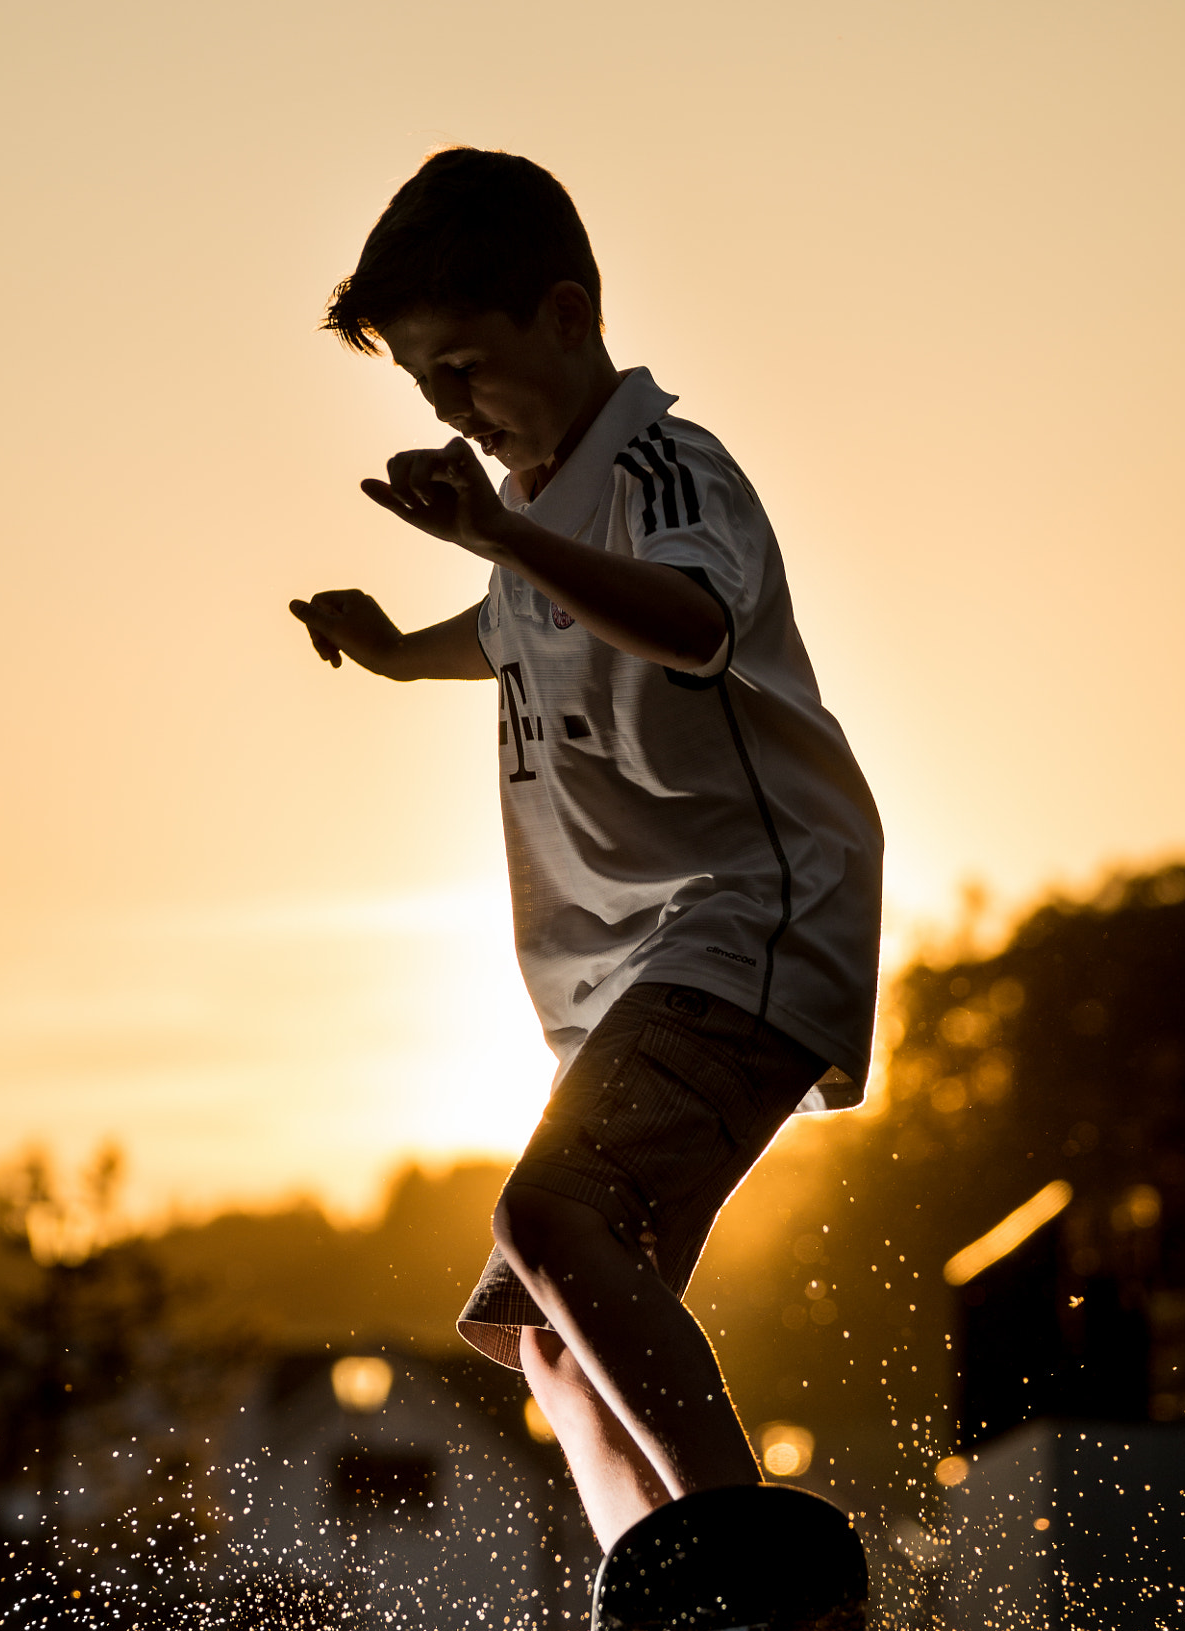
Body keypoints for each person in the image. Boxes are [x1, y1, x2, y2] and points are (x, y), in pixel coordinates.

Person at [290, 149, 882, 1558]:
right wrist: (395, 650)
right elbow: (511, 630)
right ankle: (671, 1604)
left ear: (563, 316)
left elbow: (684, 623)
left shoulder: (665, 468)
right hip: (629, 976)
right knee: (542, 1338)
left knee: (552, 1218)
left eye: (462, 367)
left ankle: (748, 1567)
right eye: (420, 387)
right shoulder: (544, 515)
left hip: (751, 922)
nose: (447, 410)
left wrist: (497, 532)